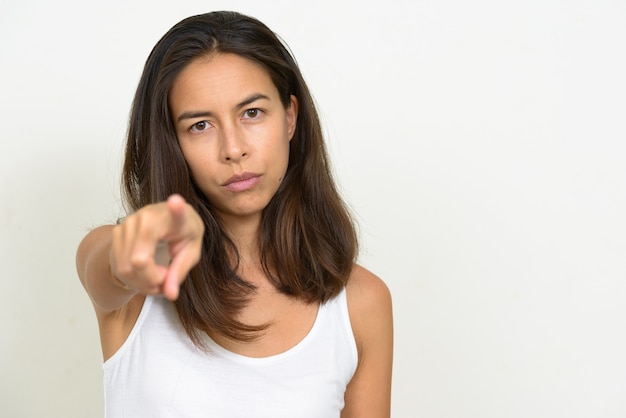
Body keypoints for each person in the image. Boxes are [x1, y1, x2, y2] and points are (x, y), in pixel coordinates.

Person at [76, 11, 393, 418]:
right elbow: (110, 266)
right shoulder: (133, 282)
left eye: (252, 113)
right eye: (201, 125)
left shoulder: (362, 303)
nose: (233, 148)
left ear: (290, 116)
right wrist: (131, 257)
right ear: (171, 142)